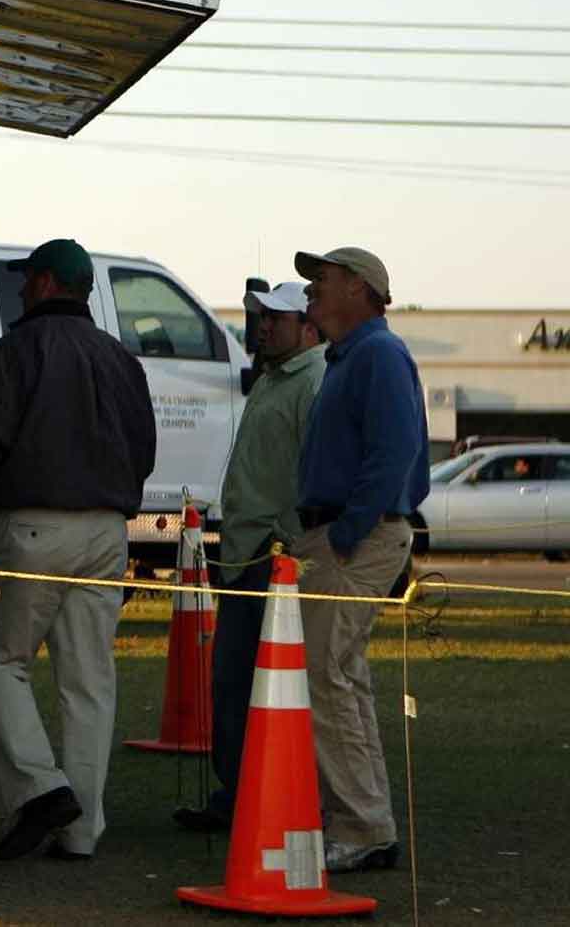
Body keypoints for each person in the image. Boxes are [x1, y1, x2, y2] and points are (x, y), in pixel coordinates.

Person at [0, 238, 155, 861]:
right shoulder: (122, 359)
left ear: (41, 283)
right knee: (88, 682)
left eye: (25, 281)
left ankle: (42, 788)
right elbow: (143, 456)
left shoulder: (15, 351)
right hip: (106, 531)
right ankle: (82, 829)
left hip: (31, 526)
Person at [292, 246, 427, 874]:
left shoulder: (377, 354)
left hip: (353, 539)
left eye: (323, 278)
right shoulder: (355, 356)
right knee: (341, 678)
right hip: (348, 536)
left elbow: (397, 452)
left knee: (328, 678)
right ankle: (363, 819)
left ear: (359, 286)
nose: (312, 289)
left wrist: (348, 531)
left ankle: (363, 826)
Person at [174, 281, 325, 833]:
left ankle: (258, 798)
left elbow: (312, 473)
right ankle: (238, 793)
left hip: (270, 552)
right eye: (263, 318)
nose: (263, 327)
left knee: (253, 679)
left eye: (276, 320)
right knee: (232, 678)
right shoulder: (275, 376)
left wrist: (282, 541)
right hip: (243, 549)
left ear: (308, 327)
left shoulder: (314, 380)